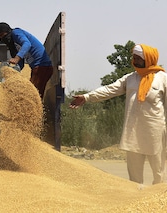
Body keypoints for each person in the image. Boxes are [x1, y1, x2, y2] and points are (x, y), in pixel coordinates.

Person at [69, 44, 167, 185]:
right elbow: (109, 90)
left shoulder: (162, 78)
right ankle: (136, 202)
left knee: (159, 174)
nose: (134, 60)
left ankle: (159, 204)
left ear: (148, 58)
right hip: (133, 132)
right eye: (134, 57)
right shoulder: (130, 78)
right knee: (134, 178)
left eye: (138, 57)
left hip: (155, 133)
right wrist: (87, 97)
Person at [0, 22, 53, 99]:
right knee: (35, 95)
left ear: (8, 31)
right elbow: (20, 64)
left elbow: (27, 44)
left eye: (2, 36)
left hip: (42, 66)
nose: (2, 39)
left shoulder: (16, 32)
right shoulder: (13, 45)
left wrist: (16, 58)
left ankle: (33, 111)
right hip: (37, 69)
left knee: (32, 95)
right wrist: (11, 73)